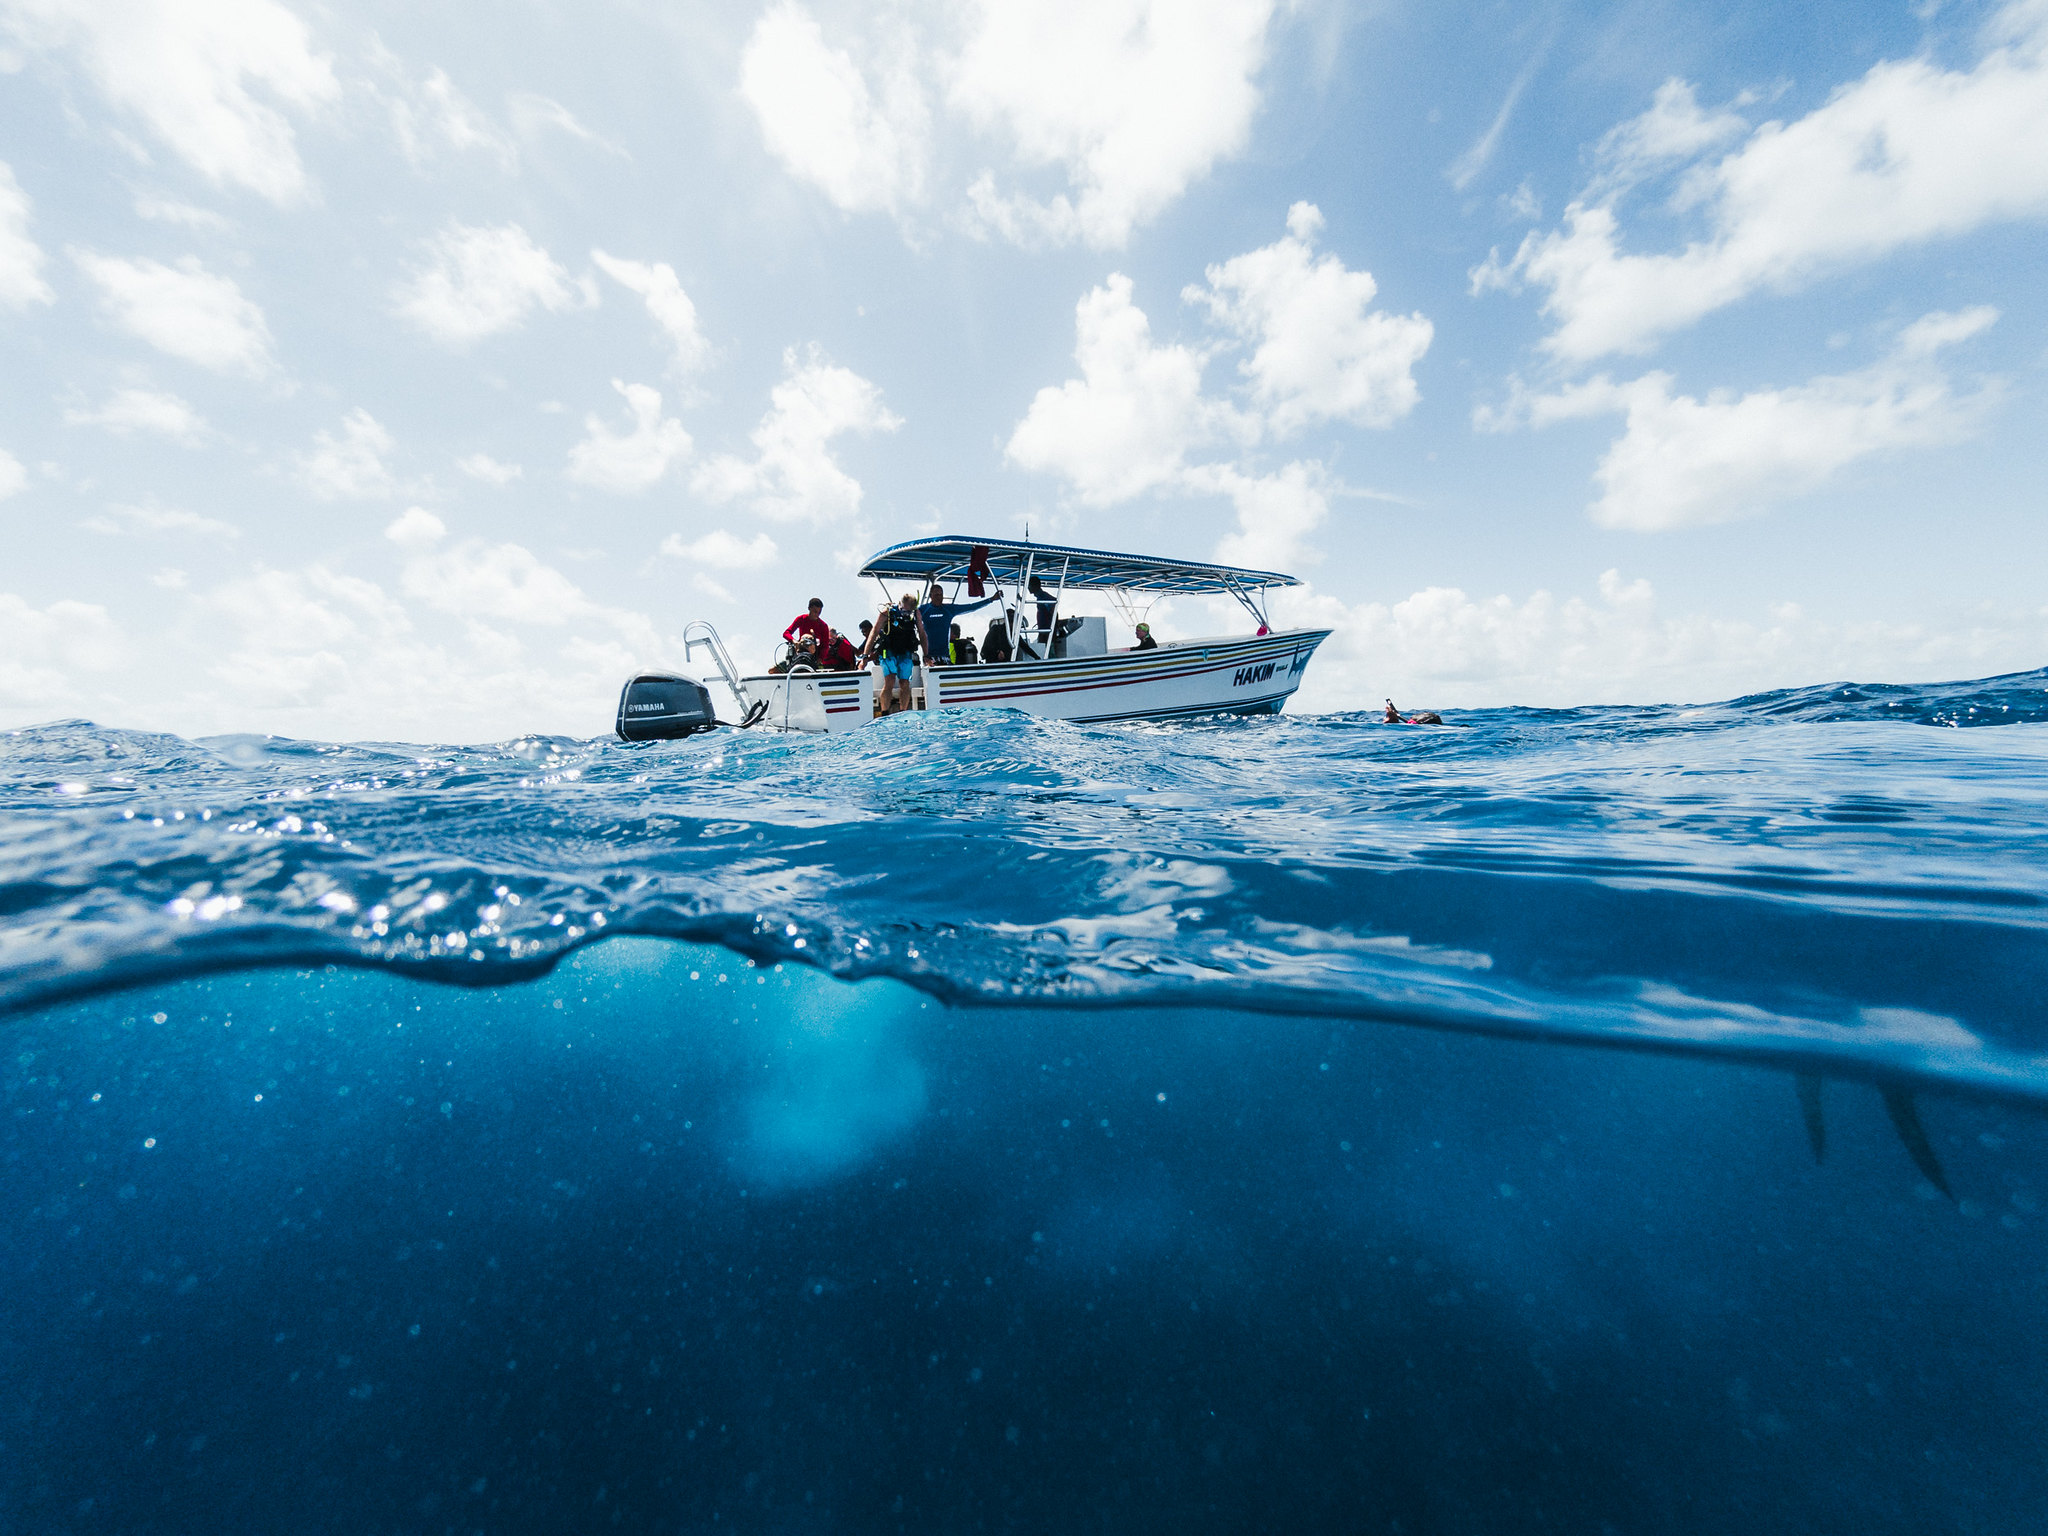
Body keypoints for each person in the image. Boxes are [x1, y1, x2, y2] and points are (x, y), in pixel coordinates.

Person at [862, 593, 923, 714]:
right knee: (889, 680)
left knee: (904, 682)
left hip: (905, 651)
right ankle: (885, 712)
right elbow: (874, 632)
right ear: (900, 604)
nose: (905, 614)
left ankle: (902, 711)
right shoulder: (888, 612)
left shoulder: (915, 614)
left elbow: (922, 633)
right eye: (904, 611)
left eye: (908, 612)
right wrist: (865, 656)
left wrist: (926, 655)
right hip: (888, 651)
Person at [917, 582, 1002, 668]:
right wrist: (925, 655)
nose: (939, 597)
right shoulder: (923, 610)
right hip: (929, 656)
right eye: (936, 594)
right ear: (931, 595)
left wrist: (991, 599)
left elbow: (970, 607)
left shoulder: (948, 609)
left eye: (940, 594)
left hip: (945, 655)